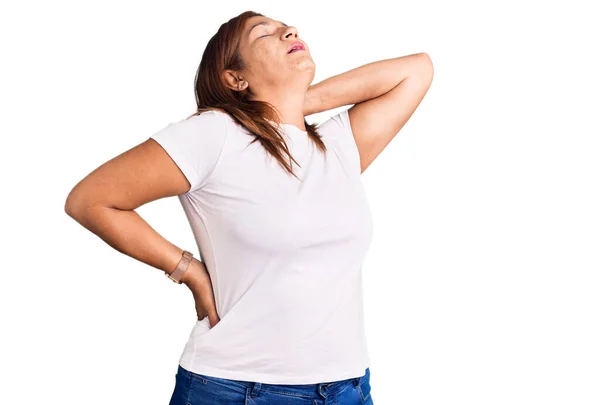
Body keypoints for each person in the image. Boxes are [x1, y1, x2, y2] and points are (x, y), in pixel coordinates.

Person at [64, 9, 433, 405]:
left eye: (286, 27)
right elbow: (91, 200)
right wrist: (186, 269)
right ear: (235, 78)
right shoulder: (215, 134)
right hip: (236, 388)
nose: (289, 30)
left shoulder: (338, 145)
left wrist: (293, 103)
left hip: (348, 387)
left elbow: (417, 70)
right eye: (264, 33)